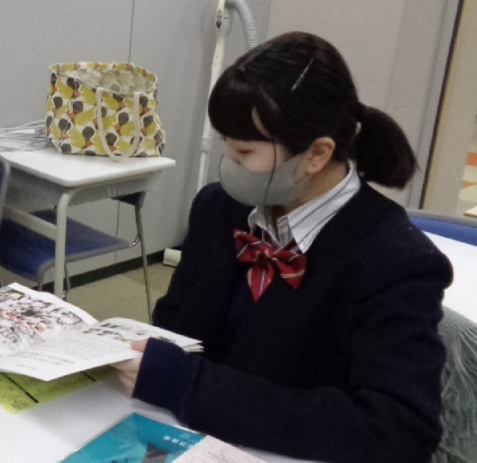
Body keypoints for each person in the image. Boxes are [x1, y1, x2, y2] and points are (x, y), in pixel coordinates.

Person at [112, 32, 451, 462]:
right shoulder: (220, 209)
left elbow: (396, 429)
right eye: (225, 146)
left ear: (316, 155)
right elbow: (175, 323)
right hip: (193, 437)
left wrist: (189, 386)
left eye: (244, 152)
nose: (228, 165)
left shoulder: (393, 260)